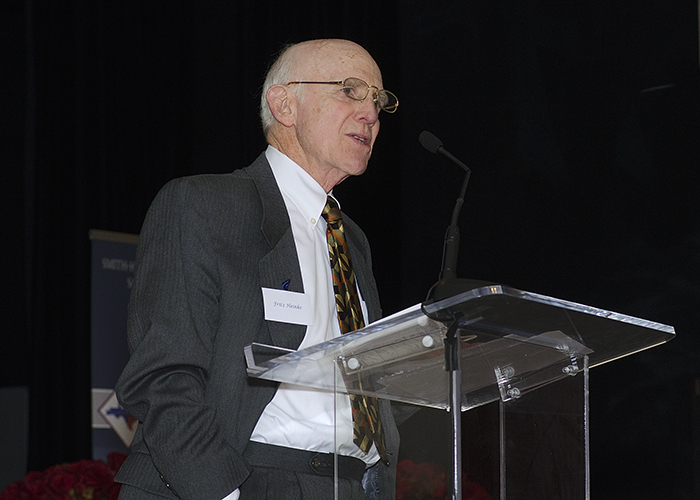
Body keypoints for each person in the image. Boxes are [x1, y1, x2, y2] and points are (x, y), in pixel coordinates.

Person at [114, 39, 401, 500]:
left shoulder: (352, 239)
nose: (370, 113)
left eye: (379, 100)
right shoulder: (204, 205)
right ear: (284, 104)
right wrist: (223, 491)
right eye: (350, 90)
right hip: (241, 478)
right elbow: (162, 377)